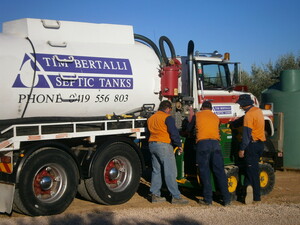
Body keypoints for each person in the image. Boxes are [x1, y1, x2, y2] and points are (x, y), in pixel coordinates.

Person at [188, 101, 231, 206]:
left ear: (202, 108)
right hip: (216, 144)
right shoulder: (216, 117)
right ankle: (226, 199)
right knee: (220, 172)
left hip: (203, 144)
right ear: (211, 109)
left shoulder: (197, 115)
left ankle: (208, 200)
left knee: (205, 172)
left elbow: (189, 129)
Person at [147, 100, 188, 204]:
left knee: (156, 171)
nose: (170, 112)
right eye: (170, 110)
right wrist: (179, 145)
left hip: (152, 144)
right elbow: (174, 132)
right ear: (168, 108)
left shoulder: (151, 118)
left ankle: (155, 195)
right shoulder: (167, 118)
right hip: (164, 145)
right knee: (170, 172)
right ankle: (176, 197)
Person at [236, 94, 266, 204]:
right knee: (250, 168)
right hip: (260, 144)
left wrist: (242, 149)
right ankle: (248, 187)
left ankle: (257, 198)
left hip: (251, 145)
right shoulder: (257, 111)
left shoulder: (248, 116)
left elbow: (246, 135)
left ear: (243, 105)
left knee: (253, 171)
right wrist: (233, 123)